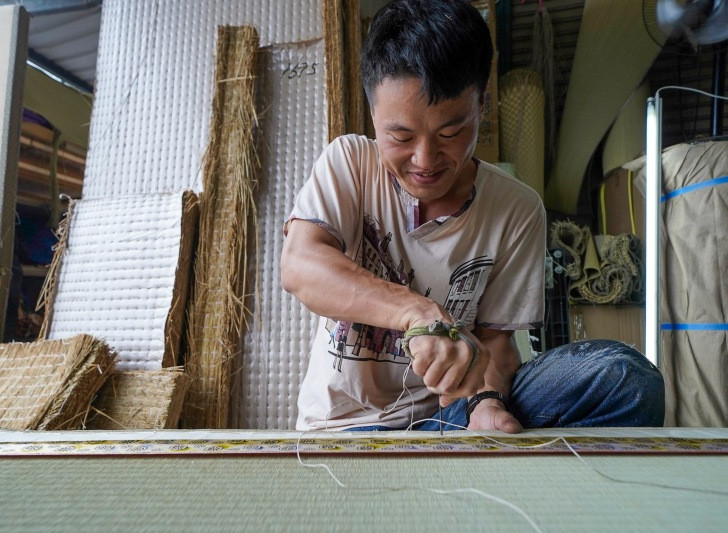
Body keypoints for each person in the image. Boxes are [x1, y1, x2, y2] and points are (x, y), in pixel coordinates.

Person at [281, 0, 664, 432]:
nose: (425, 159)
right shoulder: (349, 163)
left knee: (627, 380)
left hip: (448, 419)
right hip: (344, 428)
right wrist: (418, 313)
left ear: (482, 105)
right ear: (373, 114)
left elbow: (496, 342)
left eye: (451, 132)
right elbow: (300, 265)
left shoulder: (517, 209)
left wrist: (486, 402)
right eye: (401, 137)